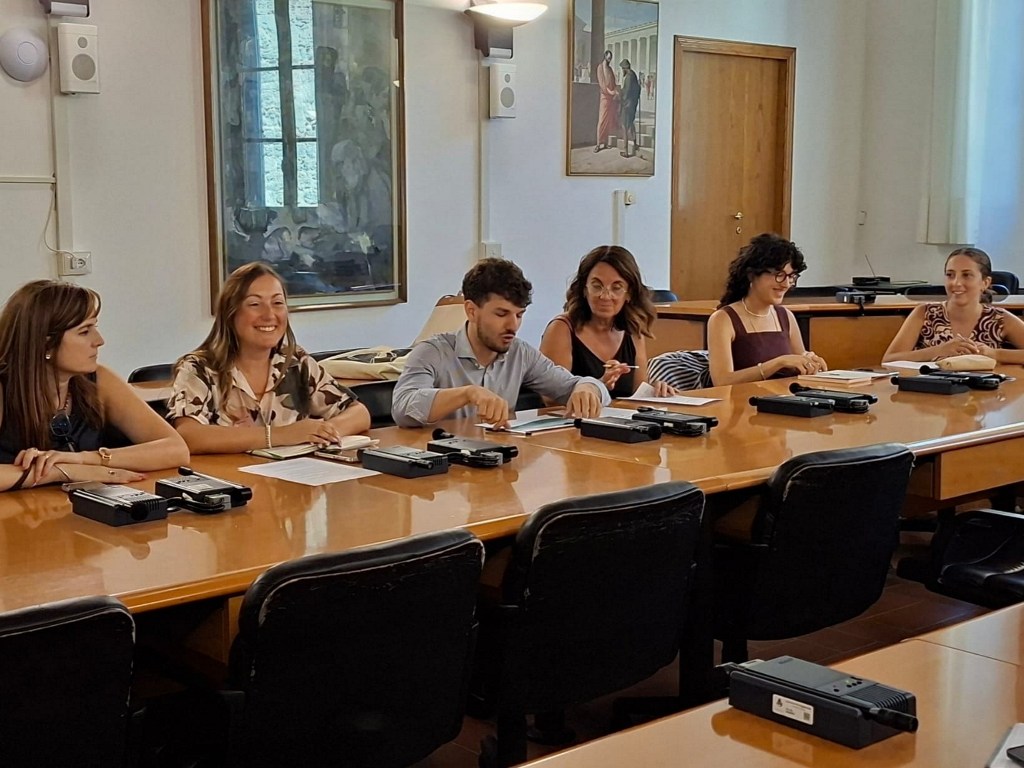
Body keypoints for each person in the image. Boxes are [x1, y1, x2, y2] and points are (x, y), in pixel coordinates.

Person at [0, 280, 188, 491]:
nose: (99, 340)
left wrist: (84, 459)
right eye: (84, 331)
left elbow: (176, 449)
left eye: (94, 327)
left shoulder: (98, 379)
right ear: (45, 343)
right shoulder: (3, 387)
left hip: (73, 506)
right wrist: (60, 471)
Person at [168, 263, 370, 453]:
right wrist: (281, 435)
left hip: (293, 475)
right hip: (231, 476)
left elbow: (359, 413)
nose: (269, 314)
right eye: (255, 304)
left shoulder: (296, 362)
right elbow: (188, 435)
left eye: (277, 303)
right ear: (230, 313)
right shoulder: (198, 368)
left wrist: (321, 432)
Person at [391, 258, 609, 428]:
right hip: (440, 464)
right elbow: (402, 408)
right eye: (501, 314)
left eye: (519, 315)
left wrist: (587, 389)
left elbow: (573, 385)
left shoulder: (521, 353)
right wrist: (467, 394)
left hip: (498, 461)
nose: (513, 326)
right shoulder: (432, 352)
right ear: (471, 311)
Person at [540, 245, 676, 399]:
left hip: (621, 415)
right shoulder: (561, 328)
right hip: (572, 415)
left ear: (629, 294)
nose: (605, 296)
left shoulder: (632, 330)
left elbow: (638, 395)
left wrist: (654, 390)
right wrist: (598, 385)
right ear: (584, 289)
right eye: (597, 286)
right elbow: (550, 398)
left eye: (616, 288)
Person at [707, 233, 828, 385]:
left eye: (791, 276)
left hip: (785, 397)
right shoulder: (723, 319)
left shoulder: (786, 316)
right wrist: (778, 363)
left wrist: (810, 363)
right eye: (779, 275)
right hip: (744, 399)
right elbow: (722, 381)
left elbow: (800, 367)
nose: (786, 284)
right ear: (752, 275)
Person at [883, 247, 1024, 364]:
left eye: (966, 275)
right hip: (933, 388)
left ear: (985, 283)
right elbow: (889, 360)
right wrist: (938, 351)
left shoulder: (999, 319)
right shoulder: (924, 313)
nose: (956, 283)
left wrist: (995, 354)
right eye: (950, 275)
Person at [595, 50, 618, 153]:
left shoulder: (610, 69)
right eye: (608, 58)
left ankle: (605, 142)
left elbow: (613, 82)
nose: (609, 60)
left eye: (610, 59)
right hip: (604, 97)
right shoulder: (600, 67)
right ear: (605, 57)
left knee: (608, 121)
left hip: (611, 98)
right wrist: (610, 92)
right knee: (602, 120)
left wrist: (615, 91)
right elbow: (602, 84)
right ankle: (598, 144)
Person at [618, 59, 641, 158]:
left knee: (624, 126)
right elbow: (638, 89)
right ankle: (635, 144)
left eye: (622, 69)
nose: (622, 71)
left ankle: (625, 151)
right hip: (633, 105)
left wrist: (619, 93)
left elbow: (626, 92)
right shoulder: (634, 75)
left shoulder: (628, 77)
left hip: (627, 105)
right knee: (631, 124)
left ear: (624, 68)